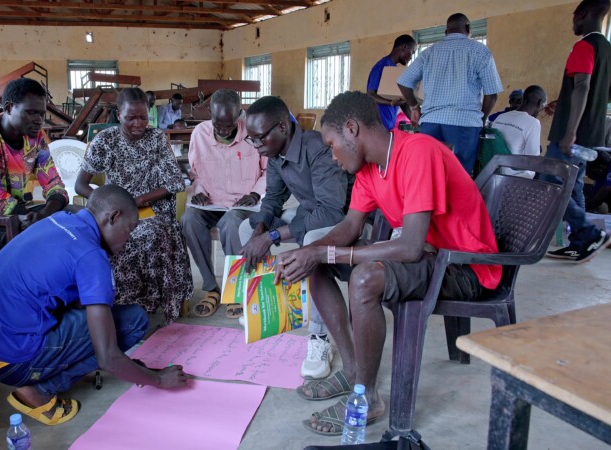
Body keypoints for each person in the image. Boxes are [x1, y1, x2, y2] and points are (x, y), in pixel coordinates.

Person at [275, 91, 500, 435]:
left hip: (464, 266)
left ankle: (366, 399)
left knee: (365, 279)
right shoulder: (369, 170)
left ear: (351, 129)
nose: (331, 156)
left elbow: (409, 247)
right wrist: (309, 252)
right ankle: (353, 372)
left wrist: (326, 252)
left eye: (332, 144)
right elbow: (350, 227)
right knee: (314, 263)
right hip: (429, 256)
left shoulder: (418, 151)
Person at [0, 185, 188, 426]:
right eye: (129, 229)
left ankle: (38, 376)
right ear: (113, 217)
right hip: (11, 360)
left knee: (99, 317)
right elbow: (108, 358)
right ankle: (38, 391)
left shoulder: (59, 220)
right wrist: (158, 379)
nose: (129, 239)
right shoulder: (90, 256)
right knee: (133, 321)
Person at [239, 96, 350, 380]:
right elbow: (274, 198)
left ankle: (320, 338)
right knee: (245, 229)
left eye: (260, 138)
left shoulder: (317, 148)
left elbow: (331, 211)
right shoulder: (274, 154)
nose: (257, 146)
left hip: (340, 222)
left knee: (310, 240)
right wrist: (261, 230)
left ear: (283, 128)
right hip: (307, 214)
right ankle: (265, 306)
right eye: (251, 140)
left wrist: (275, 235)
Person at [76, 87, 194, 322]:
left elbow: (174, 182)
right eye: (131, 118)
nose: (138, 123)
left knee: (153, 233)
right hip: (115, 213)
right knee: (115, 239)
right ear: (119, 115)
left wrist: (138, 200)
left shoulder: (157, 138)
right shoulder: (106, 140)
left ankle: (150, 303)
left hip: (153, 209)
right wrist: (106, 206)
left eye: (143, 117)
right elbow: (81, 186)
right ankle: (124, 305)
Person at [182, 89, 267, 318]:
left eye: (229, 125)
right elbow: (195, 172)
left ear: (239, 114)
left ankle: (236, 289)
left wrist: (256, 194)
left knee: (231, 224)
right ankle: (211, 288)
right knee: (189, 220)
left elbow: (270, 170)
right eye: (217, 124)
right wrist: (198, 190)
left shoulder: (253, 131)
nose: (222, 130)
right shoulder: (199, 134)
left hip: (243, 205)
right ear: (210, 113)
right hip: (211, 202)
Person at [0, 77, 69, 250]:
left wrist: (44, 214)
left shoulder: (36, 137)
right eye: (31, 112)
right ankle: (12, 277)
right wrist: (38, 219)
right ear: (8, 108)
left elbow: (55, 184)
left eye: (42, 114)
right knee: (40, 235)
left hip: (17, 212)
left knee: (75, 217)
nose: (39, 120)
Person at [543, 0, 611, 263]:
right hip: (592, 136)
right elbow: (599, 93)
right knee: (572, 187)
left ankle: (588, 233)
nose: (573, 23)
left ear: (582, 14)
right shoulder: (606, 49)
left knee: (549, 182)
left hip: (570, 135)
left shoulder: (584, 46)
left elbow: (582, 87)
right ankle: (581, 243)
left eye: (574, 17)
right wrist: (566, 103)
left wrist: (570, 131)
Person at [398, 13, 503, 175]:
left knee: (430, 174)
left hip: (431, 123)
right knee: (459, 175)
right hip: (464, 124)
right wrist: (481, 119)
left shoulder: (429, 52)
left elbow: (404, 82)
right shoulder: (481, 52)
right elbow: (492, 94)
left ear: (446, 31)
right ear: (467, 28)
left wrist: (414, 107)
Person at [489, 85, 547, 178]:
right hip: (513, 175)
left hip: (491, 170)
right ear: (540, 103)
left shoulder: (501, 117)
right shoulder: (533, 123)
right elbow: (532, 159)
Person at [366, 34, 417, 131]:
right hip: (378, 126)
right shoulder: (382, 66)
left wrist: (414, 118)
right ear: (404, 47)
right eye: (412, 52)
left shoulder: (395, 71)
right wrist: (392, 102)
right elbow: (370, 95)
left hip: (390, 125)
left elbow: (401, 102)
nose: (411, 57)